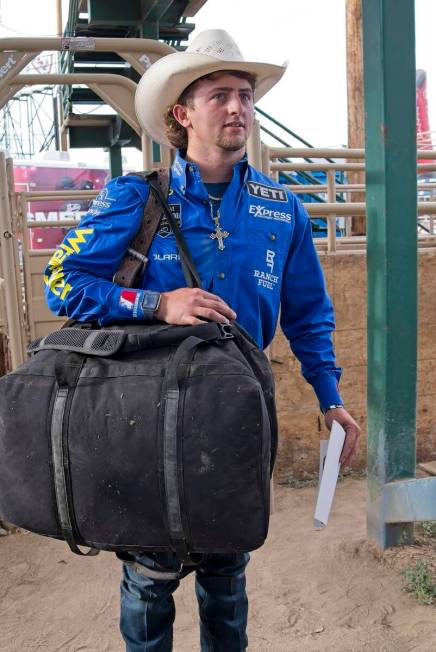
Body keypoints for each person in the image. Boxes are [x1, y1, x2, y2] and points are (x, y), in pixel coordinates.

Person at [44, 29, 360, 652]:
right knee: (148, 577)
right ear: (182, 115)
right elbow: (63, 282)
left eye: (245, 95)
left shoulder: (282, 211)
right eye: (221, 95)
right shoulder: (134, 199)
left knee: (227, 571)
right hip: (144, 414)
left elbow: (308, 315)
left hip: (237, 413)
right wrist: (156, 303)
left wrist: (329, 398)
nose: (239, 107)